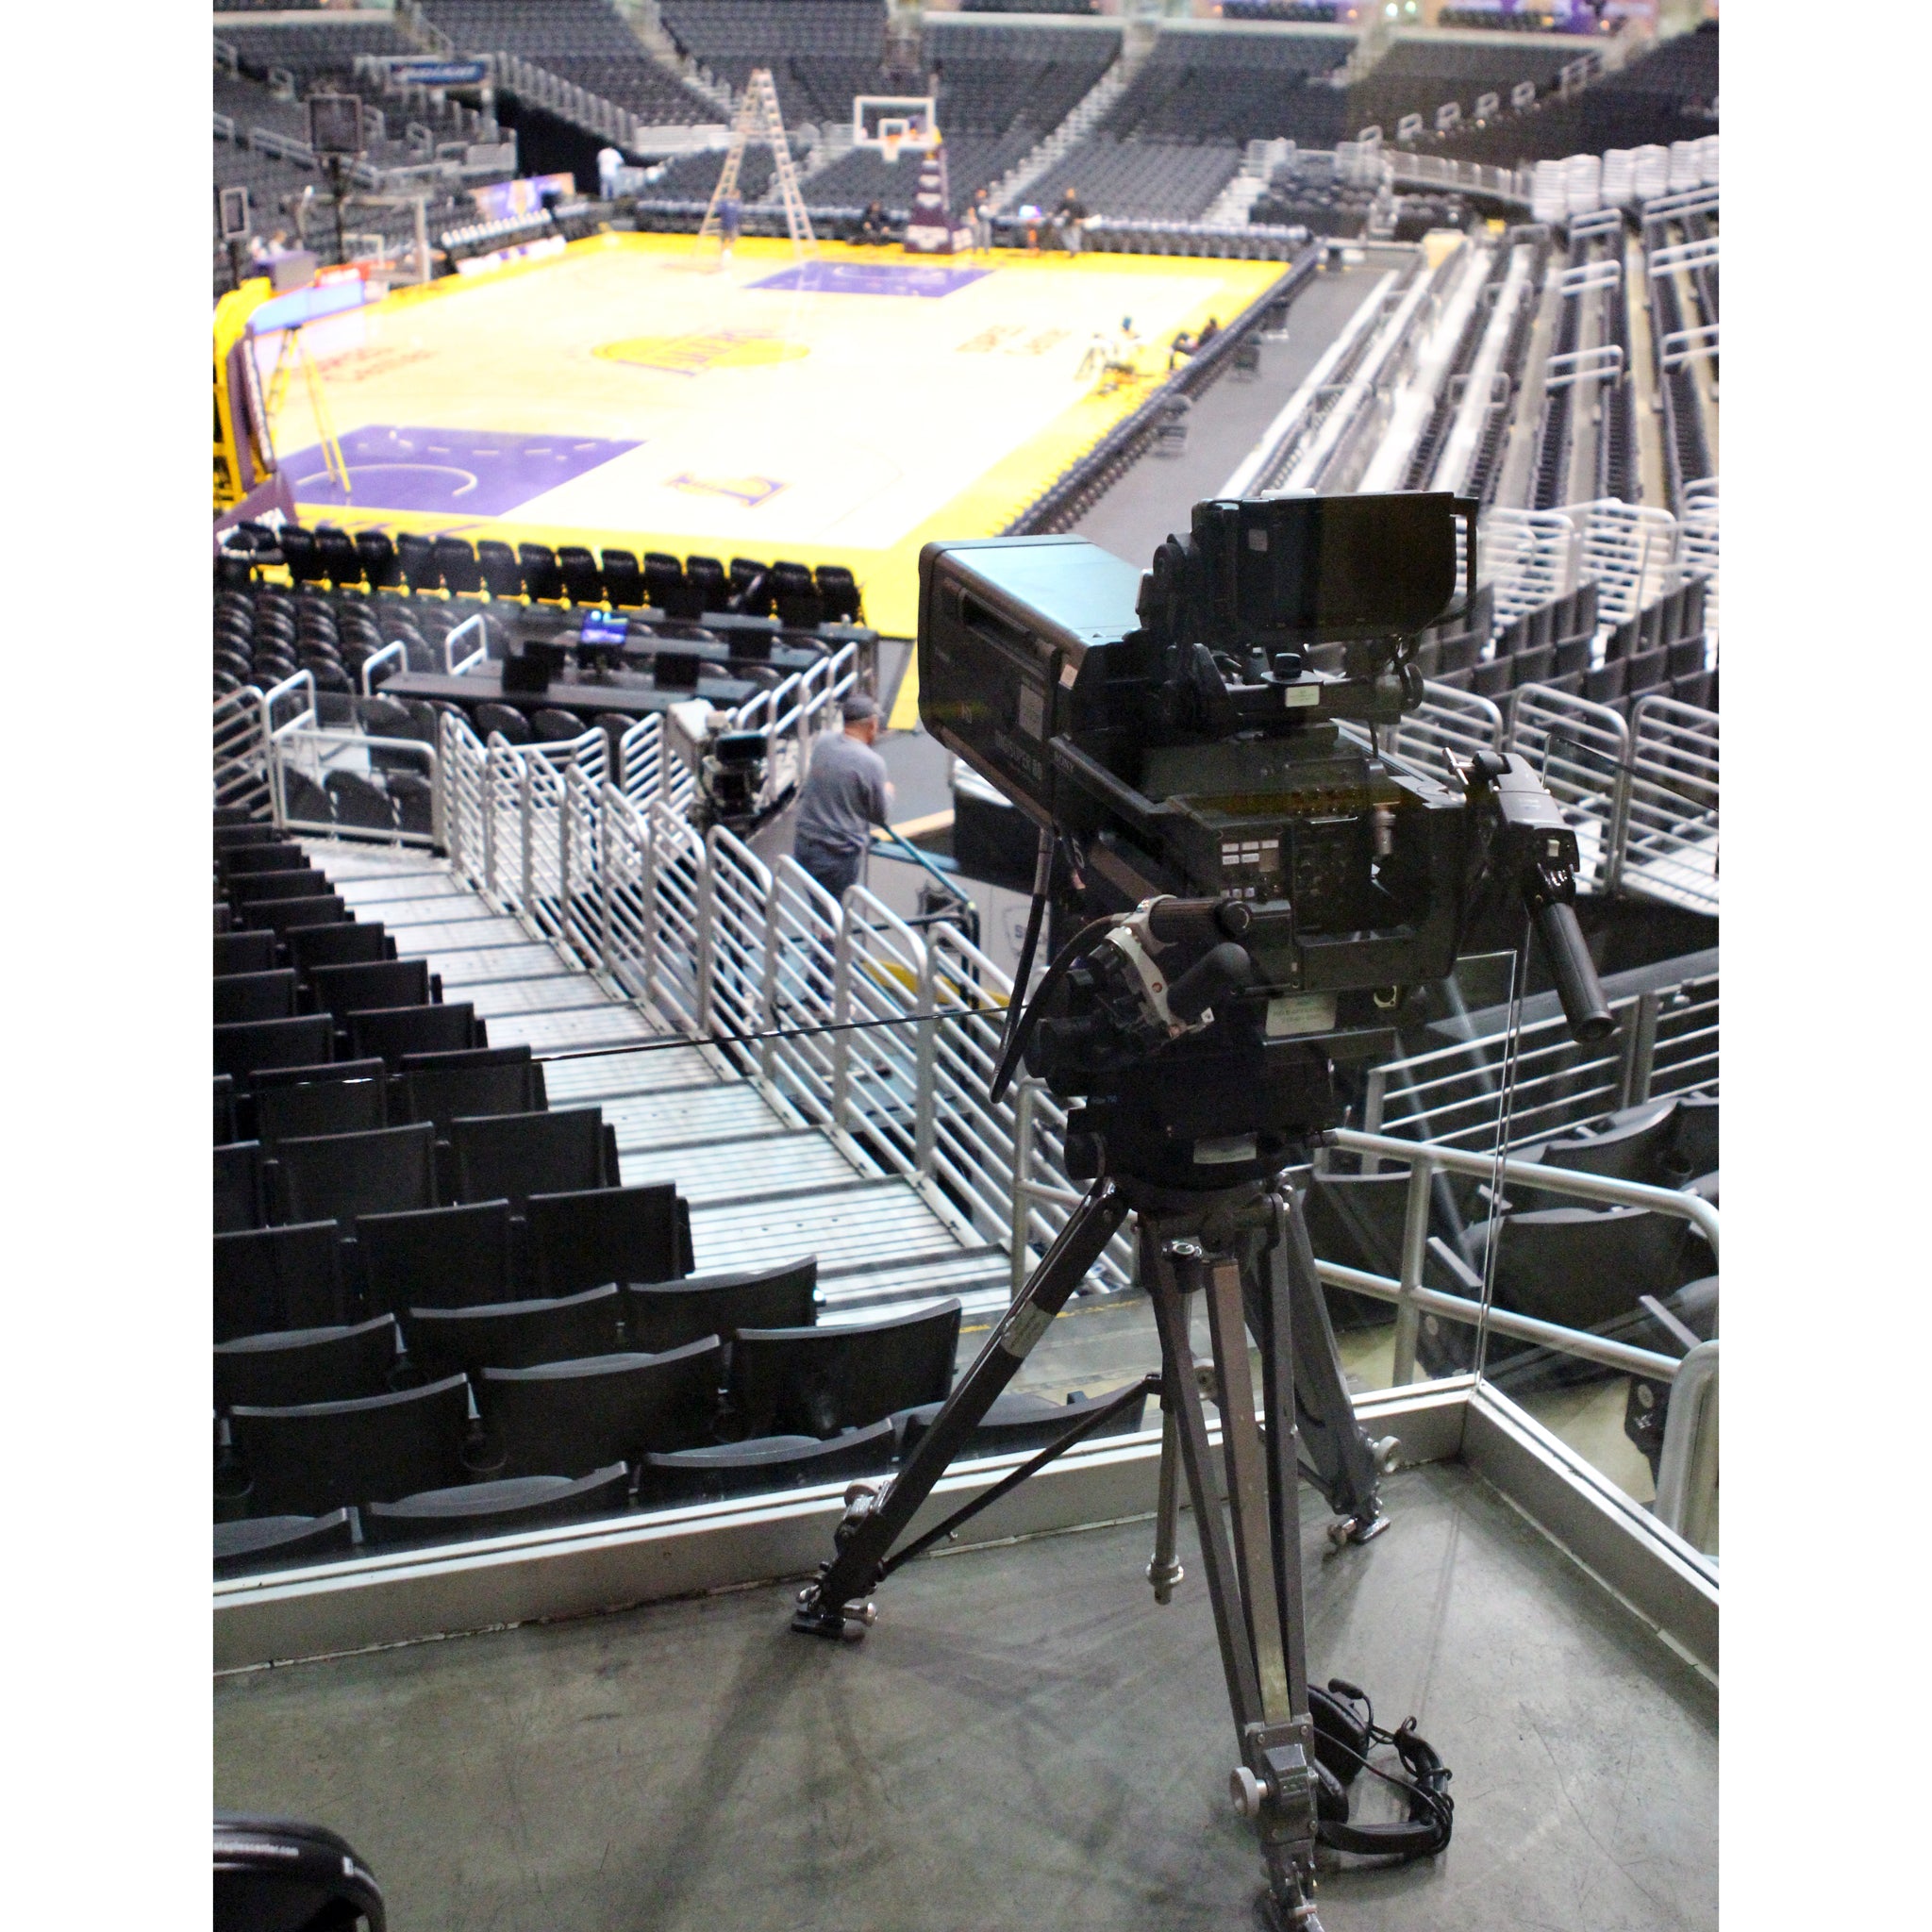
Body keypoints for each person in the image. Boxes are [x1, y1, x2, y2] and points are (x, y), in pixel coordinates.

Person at [792, 691, 894, 907]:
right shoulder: (871, 762)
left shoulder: (823, 742)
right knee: (834, 913)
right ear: (872, 724)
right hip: (837, 855)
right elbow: (880, 815)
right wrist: (888, 792)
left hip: (804, 846)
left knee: (820, 909)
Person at [1058, 187, 1087, 257]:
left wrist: (1080, 220)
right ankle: (1073, 249)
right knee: (1067, 235)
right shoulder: (1064, 203)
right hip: (1067, 222)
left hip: (1075, 222)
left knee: (1075, 235)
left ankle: (1075, 249)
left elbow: (1084, 214)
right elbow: (1058, 211)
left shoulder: (1078, 203)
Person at [718, 188, 741, 263]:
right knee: (732, 240)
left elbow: (719, 211)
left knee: (722, 241)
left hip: (723, 225)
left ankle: (723, 254)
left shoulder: (724, 202)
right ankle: (728, 252)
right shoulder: (737, 203)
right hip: (732, 225)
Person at [971, 186, 994, 257]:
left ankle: (986, 250)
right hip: (978, 220)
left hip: (985, 220)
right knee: (977, 235)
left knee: (987, 235)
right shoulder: (975, 200)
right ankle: (975, 250)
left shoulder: (986, 200)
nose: (984, 193)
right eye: (983, 191)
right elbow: (972, 209)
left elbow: (988, 209)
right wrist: (973, 217)